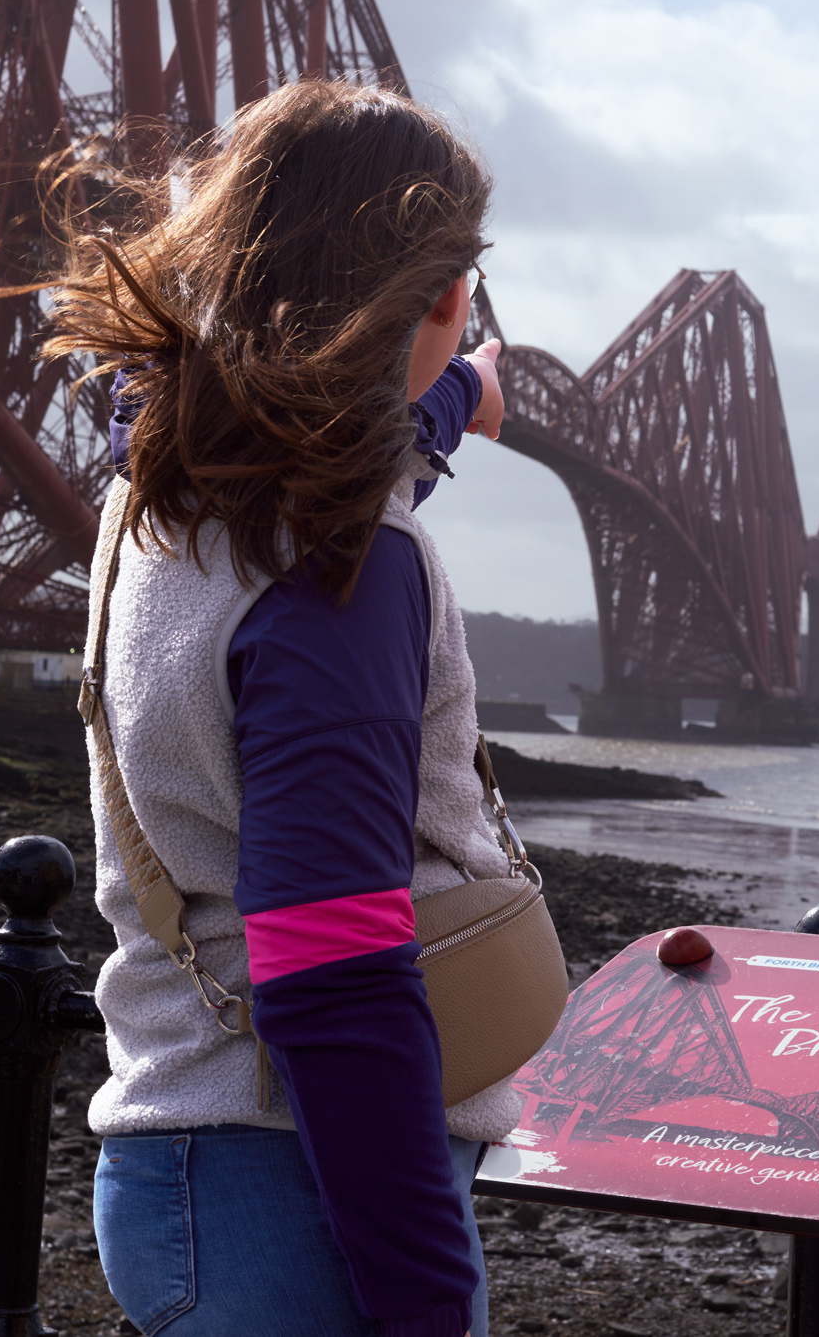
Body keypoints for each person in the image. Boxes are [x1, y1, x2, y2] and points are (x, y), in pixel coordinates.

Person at [39, 82, 516, 1337]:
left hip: (174, 1159)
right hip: (294, 1194)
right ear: (441, 294)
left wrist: (457, 397)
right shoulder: (347, 563)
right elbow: (331, 971)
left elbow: (345, 451)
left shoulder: (162, 491)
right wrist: (429, 1304)